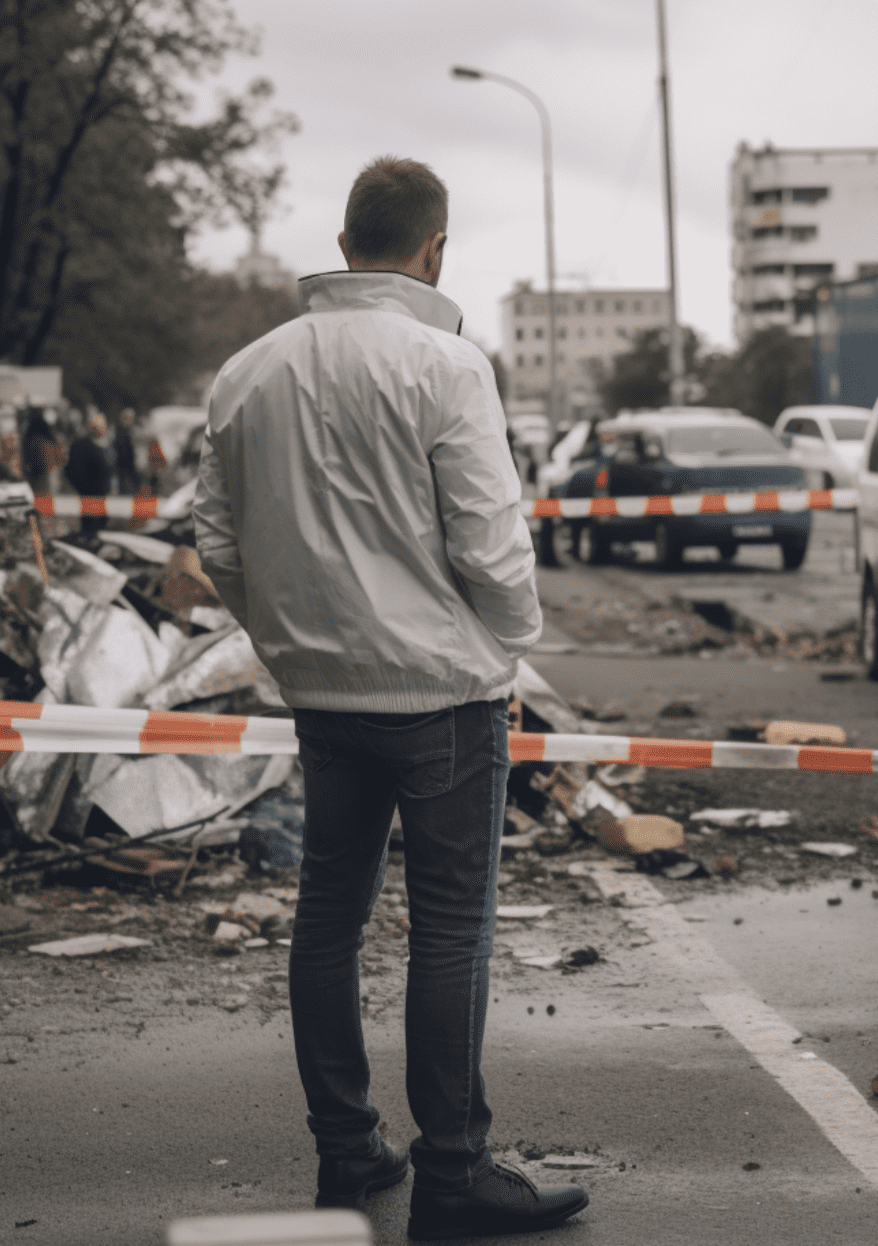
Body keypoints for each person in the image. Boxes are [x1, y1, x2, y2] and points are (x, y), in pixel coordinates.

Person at [193, 157, 588, 1240]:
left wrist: (284, 639)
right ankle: (453, 1173)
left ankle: (348, 1155)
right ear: (435, 248)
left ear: (344, 235)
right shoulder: (445, 364)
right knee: (450, 929)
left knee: (328, 917)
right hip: (443, 694)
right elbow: (489, 544)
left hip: (325, 695)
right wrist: (504, 643)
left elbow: (215, 542)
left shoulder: (246, 372)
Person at [63, 411, 111, 535]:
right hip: (90, 495)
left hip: (99, 496)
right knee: (91, 528)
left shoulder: (101, 445)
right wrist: (85, 488)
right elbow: (73, 471)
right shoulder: (83, 445)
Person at [22, 409, 63, 497]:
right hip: (54, 476)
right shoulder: (52, 441)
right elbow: (59, 459)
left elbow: (30, 463)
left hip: (41, 479)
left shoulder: (35, 442)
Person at [114, 408, 140, 495]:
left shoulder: (130, 432)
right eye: (128, 418)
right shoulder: (119, 433)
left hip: (130, 471)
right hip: (123, 471)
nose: (131, 421)